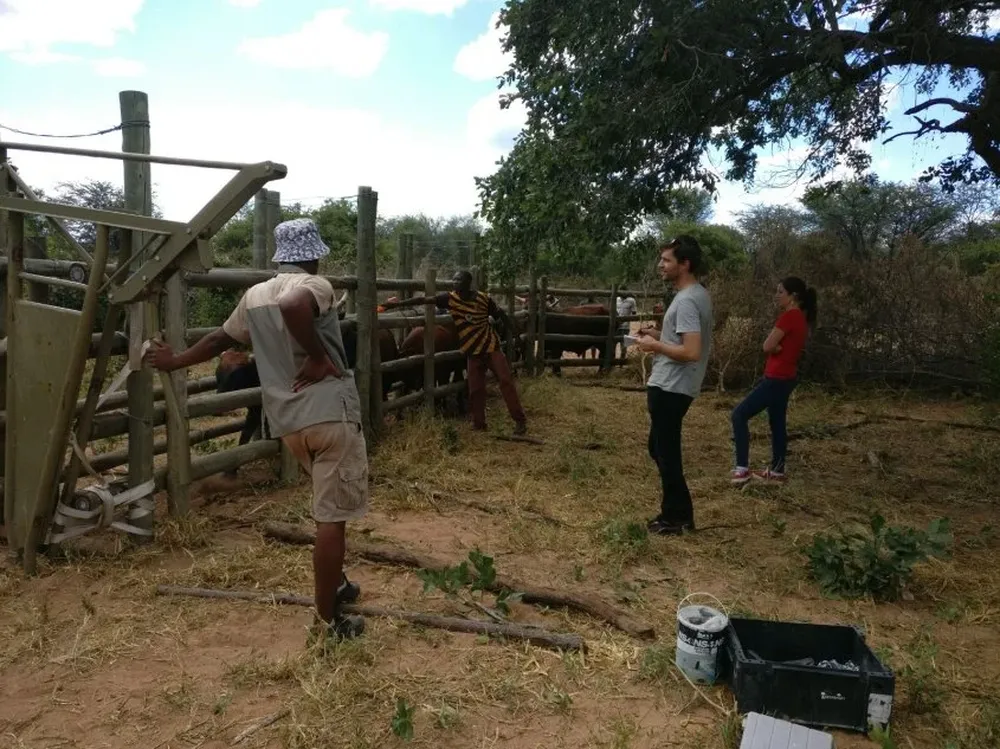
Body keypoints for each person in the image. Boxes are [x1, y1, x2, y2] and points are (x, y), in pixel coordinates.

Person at [145, 218, 367, 643]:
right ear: (313, 254)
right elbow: (294, 307)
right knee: (332, 518)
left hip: (289, 422)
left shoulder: (254, 295)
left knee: (326, 509)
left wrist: (175, 362)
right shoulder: (313, 286)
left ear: (280, 254)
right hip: (328, 414)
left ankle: (336, 585)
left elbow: (218, 339)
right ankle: (327, 625)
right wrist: (319, 357)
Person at [381, 270, 527, 435]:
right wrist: (396, 304)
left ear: (468, 282)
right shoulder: (450, 298)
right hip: (473, 352)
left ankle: (520, 421)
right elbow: (425, 299)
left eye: (458, 280)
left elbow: (500, 315)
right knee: (475, 389)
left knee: (506, 381)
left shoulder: (483, 298)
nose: (454, 283)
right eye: (453, 280)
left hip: (491, 347)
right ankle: (479, 424)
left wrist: (516, 337)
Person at [635, 236, 713, 536]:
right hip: (672, 385)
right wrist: (660, 333)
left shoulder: (688, 300)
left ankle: (677, 517)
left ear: (685, 264)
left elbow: (691, 351)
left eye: (667, 260)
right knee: (658, 447)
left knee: (666, 452)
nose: (660, 265)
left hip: (672, 387)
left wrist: (655, 345)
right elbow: (683, 339)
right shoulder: (696, 295)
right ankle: (676, 512)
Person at [730, 277, 817, 485]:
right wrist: (781, 349)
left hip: (776, 378)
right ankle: (778, 471)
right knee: (777, 423)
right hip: (787, 378)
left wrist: (776, 349)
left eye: (781, 292)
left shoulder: (789, 317)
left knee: (739, 415)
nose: (777, 295)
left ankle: (742, 469)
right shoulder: (801, 319)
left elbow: (767, 346)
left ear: (793, 296)